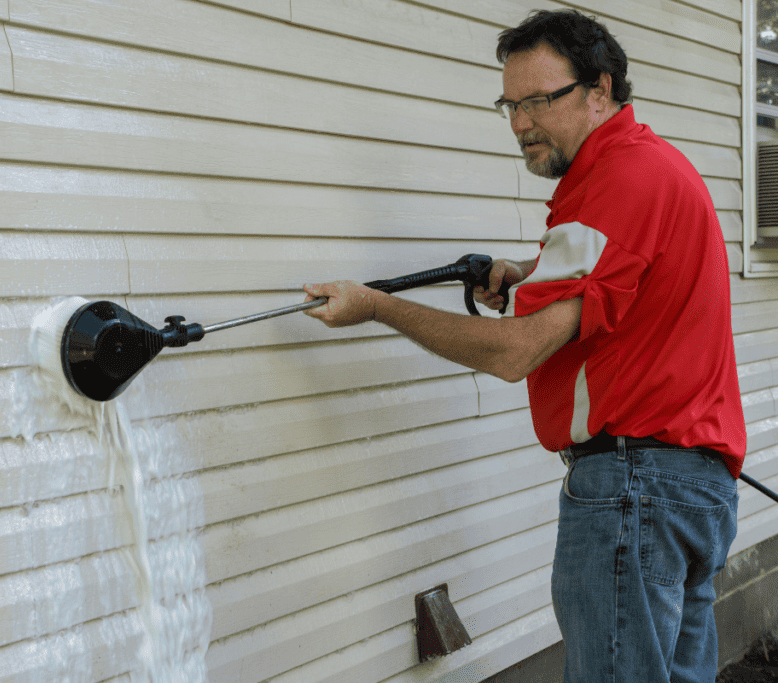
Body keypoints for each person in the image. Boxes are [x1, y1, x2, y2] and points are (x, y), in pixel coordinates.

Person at [302, 9, 745, 683]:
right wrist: (526, 273)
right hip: (691, 490)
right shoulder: (647, 168)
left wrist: (379, 307)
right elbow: (613, 289)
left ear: (599, 90)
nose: (519, 123)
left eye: (539, 100)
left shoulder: (611, 185)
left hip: (635, 489)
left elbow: (516, 352)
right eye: (509, 104)